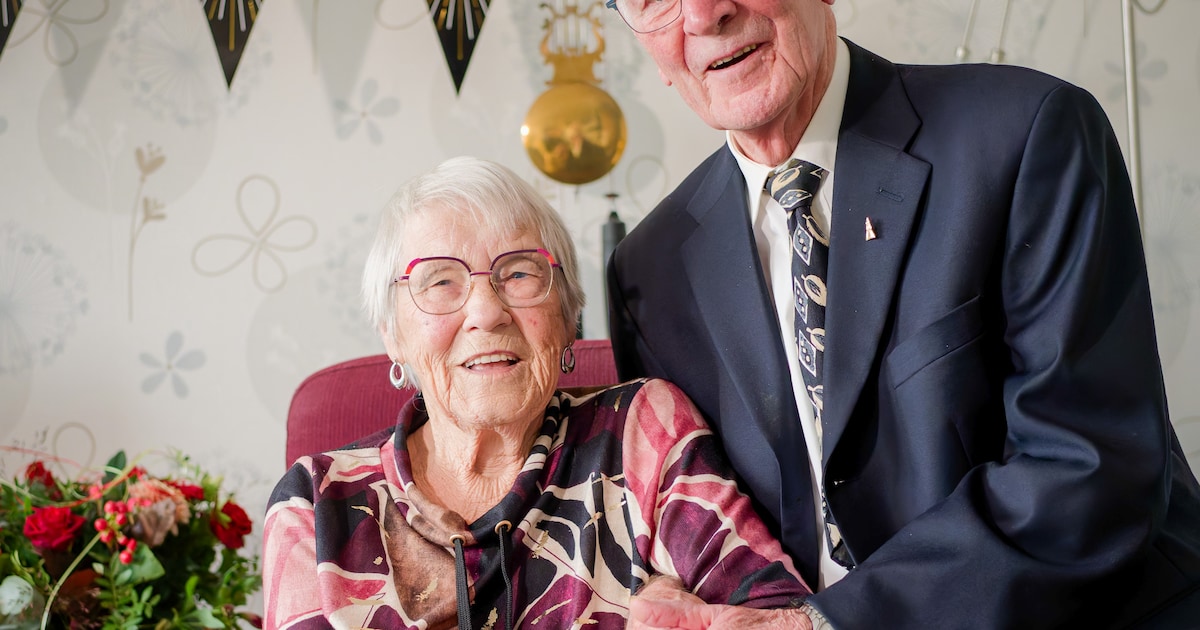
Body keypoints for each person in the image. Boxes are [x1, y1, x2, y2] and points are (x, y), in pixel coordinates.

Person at [603, 1, 1200, 628]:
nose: (703, 12)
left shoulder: (1026, 131)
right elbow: (696, 516)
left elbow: (1088, 471)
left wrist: (819, 624)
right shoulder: (649, 271)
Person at [260, 156, 810, 629]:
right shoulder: (315, 502)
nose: (486, 312)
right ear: (392, 333)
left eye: (519, 274)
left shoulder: (641, 434)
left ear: (570, 315)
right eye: (440, 280)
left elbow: (779, 611)